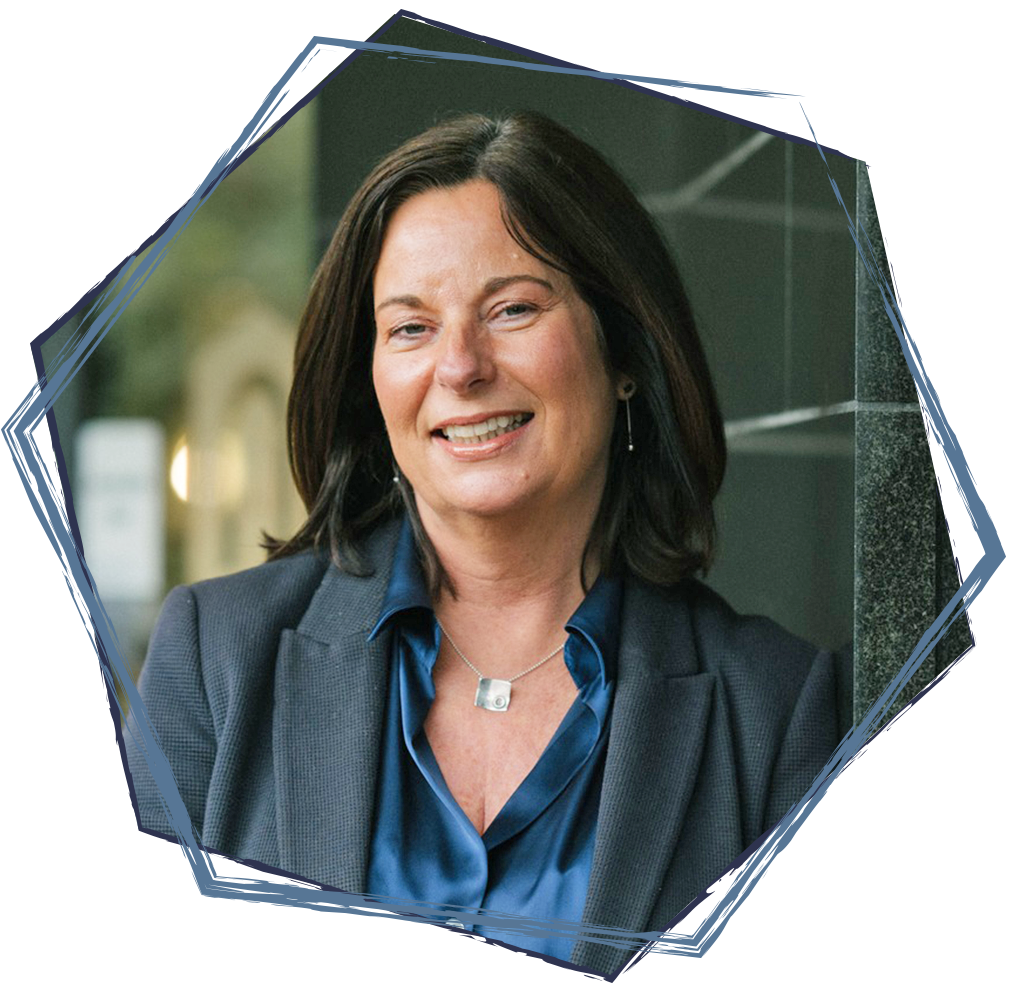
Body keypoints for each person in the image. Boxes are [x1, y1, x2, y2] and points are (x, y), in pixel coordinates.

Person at [124, 111, 850, 974]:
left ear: (623, 351)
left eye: (511, 309)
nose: (460, 367)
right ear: (372, 379)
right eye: (410, 327)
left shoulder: (776, 714)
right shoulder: (216, 660)